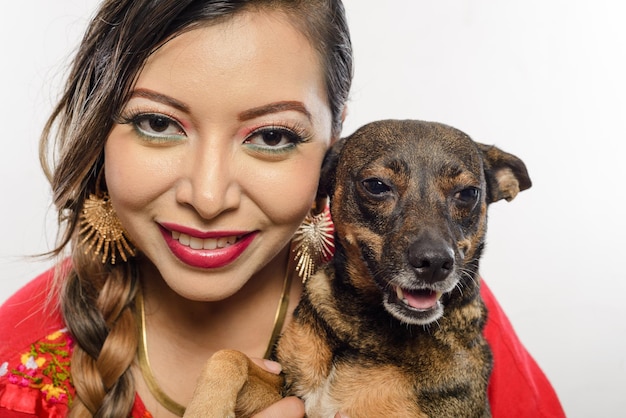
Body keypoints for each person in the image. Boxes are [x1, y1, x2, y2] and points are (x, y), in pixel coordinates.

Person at [0, 0, 566, 417]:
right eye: (157, 124)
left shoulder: (438, 300)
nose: (208, 195)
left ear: (333, 138)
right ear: (101, 131)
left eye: (271, 135)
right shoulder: (19, 346)